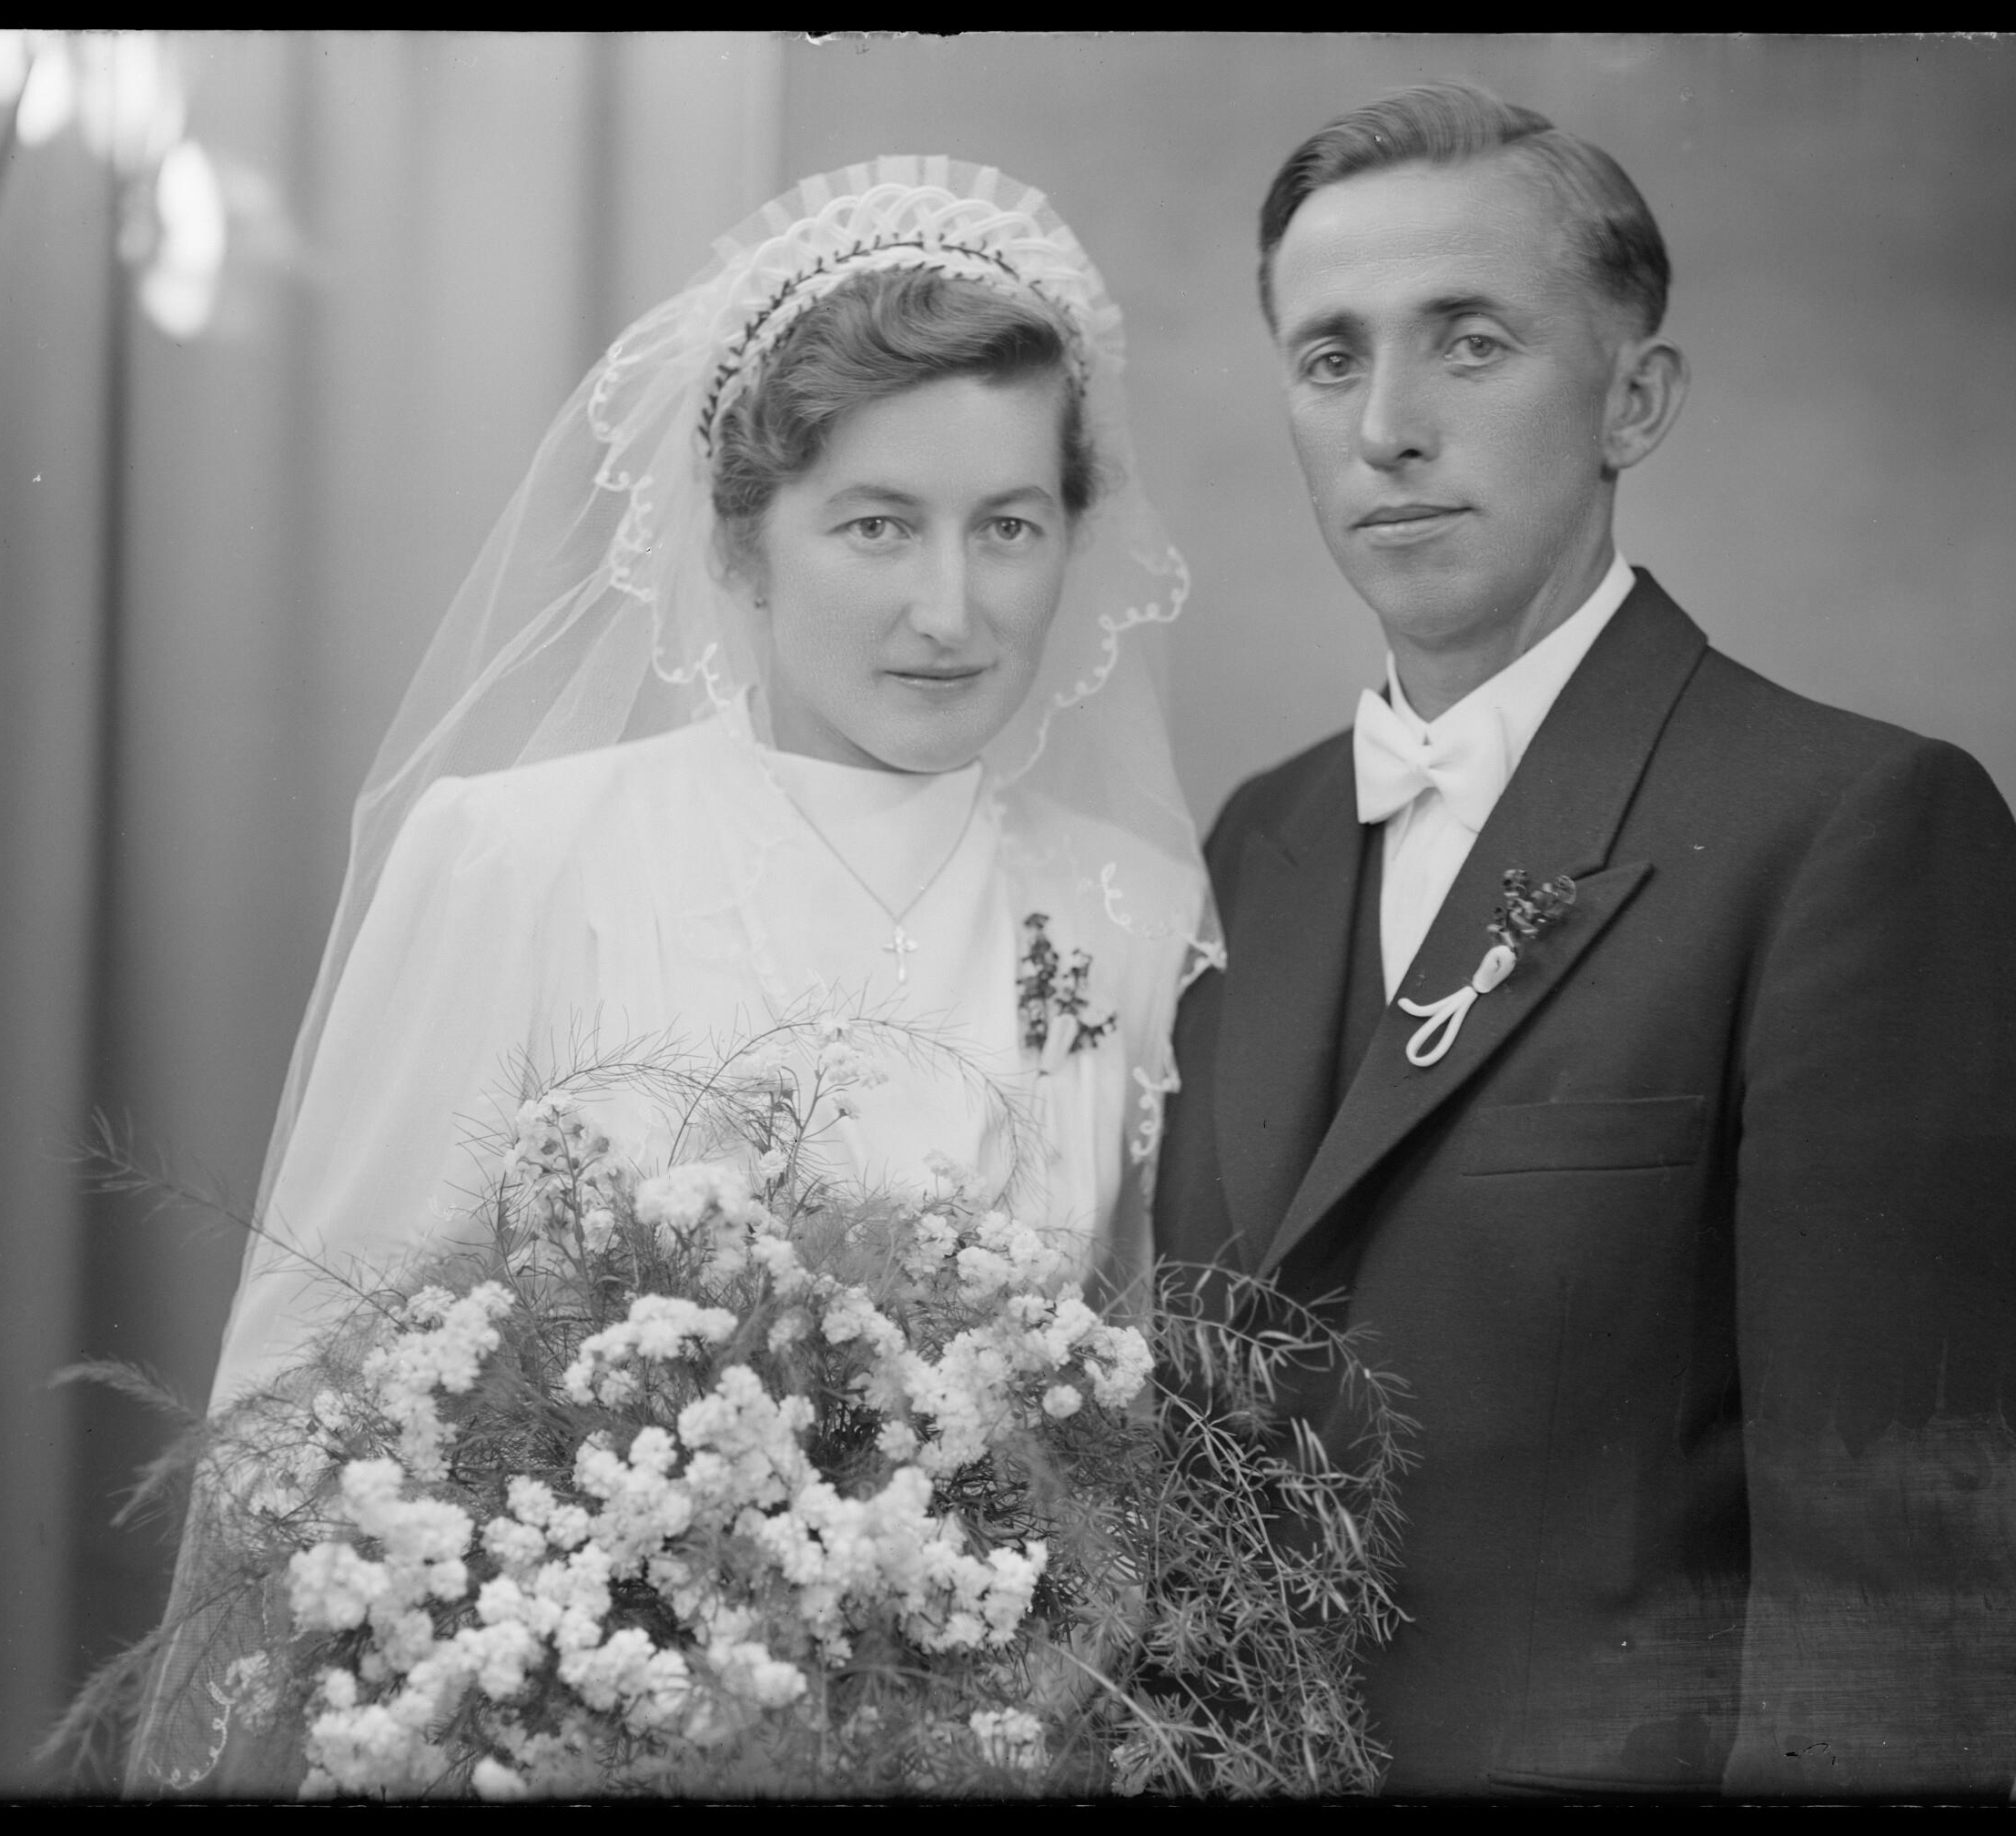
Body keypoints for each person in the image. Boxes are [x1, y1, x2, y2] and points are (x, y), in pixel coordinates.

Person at [124, 157, 1212, 1795]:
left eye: (1008, 526)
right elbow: (309, 1412)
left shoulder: (1132, 910)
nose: (951, 608)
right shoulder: (518, 854)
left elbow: (1128, 1422)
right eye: (875, 524)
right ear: (741, 542)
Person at [1153, 84, 2016, 1798]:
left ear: (1634, 399)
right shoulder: (1252, 843)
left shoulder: (1855, 832)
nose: (1388, 429)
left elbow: (1910, 1604)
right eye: (1331, 357)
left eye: (1472, 343)